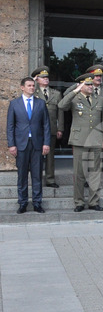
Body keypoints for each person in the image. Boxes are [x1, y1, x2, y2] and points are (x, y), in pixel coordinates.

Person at [58, 74, 103, 211]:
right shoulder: (75, 98)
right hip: (80, 141)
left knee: (95, 173)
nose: (91, 86)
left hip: (96, 141)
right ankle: (79, 202)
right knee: (79, 174)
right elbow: (61, 105)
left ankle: (94, 202)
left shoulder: (99, 99)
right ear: (81, 86)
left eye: (92, 84)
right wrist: (75, 89)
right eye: (88, 84)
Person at [7, 77, 51, 213]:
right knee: (22, 175)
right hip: (21, 145)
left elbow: (46, 125)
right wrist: (11, 144)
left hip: (37, 144)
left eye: (33, 85)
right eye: (29, 85)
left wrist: (46, 143)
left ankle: (37, 202)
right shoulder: (14, 104)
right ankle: (23, 202)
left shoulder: (41, 103)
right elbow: (10, 126)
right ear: (22, 87)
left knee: (37, 175)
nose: (32, 87)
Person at [33, 67, 64, 188]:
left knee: (50, 156)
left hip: (51, 128)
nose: (46, 79)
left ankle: (50, 179)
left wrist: (60, 128)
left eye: (47, 77)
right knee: (36, 156)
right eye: (43, 77)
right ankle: (37, 179)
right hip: (36, 130)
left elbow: (60, 112)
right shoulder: (33, 92)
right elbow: (24, 93)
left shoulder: (56, 94)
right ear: (37, 79)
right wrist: (32, 80)